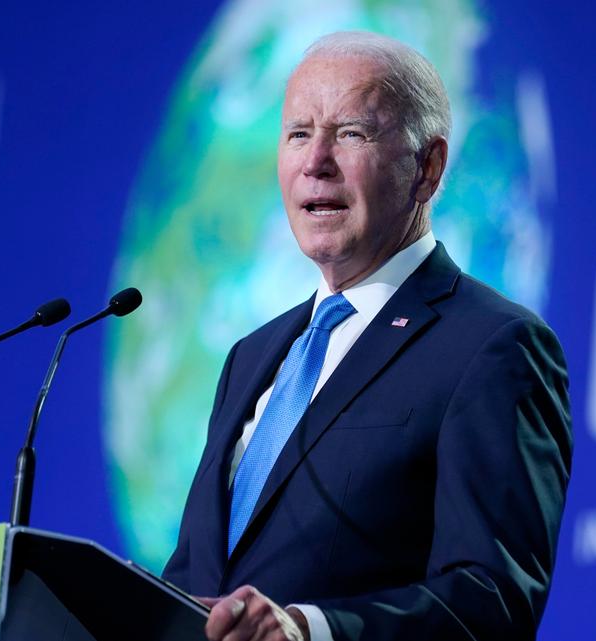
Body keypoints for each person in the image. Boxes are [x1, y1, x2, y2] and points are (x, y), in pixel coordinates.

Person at [162, 31, 572, 641]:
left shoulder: (493, 345)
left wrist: (310, 631)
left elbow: (494, 600)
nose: (315, 161)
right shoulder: (249, 359)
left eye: (351, 133)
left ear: (427, 168)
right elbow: (197, 577)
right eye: (299, 133)